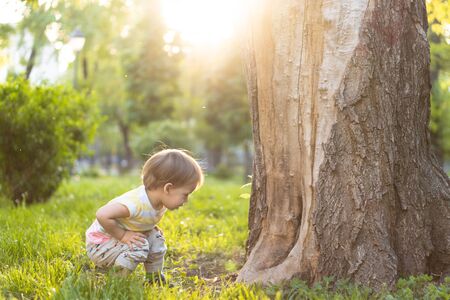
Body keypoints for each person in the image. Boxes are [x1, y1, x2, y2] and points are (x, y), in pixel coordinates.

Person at [85, 149, 204, 284]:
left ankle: (154, 278)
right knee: (139, 246)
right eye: (185, 194)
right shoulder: (134, 204)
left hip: (113, 241)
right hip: (100, 245)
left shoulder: (160, 200)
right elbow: (102, 214)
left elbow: (142, 218)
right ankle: (117, 282)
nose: (186, 200)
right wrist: (123, 235)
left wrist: (147, 226)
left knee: (156, 238)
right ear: (168, 189)